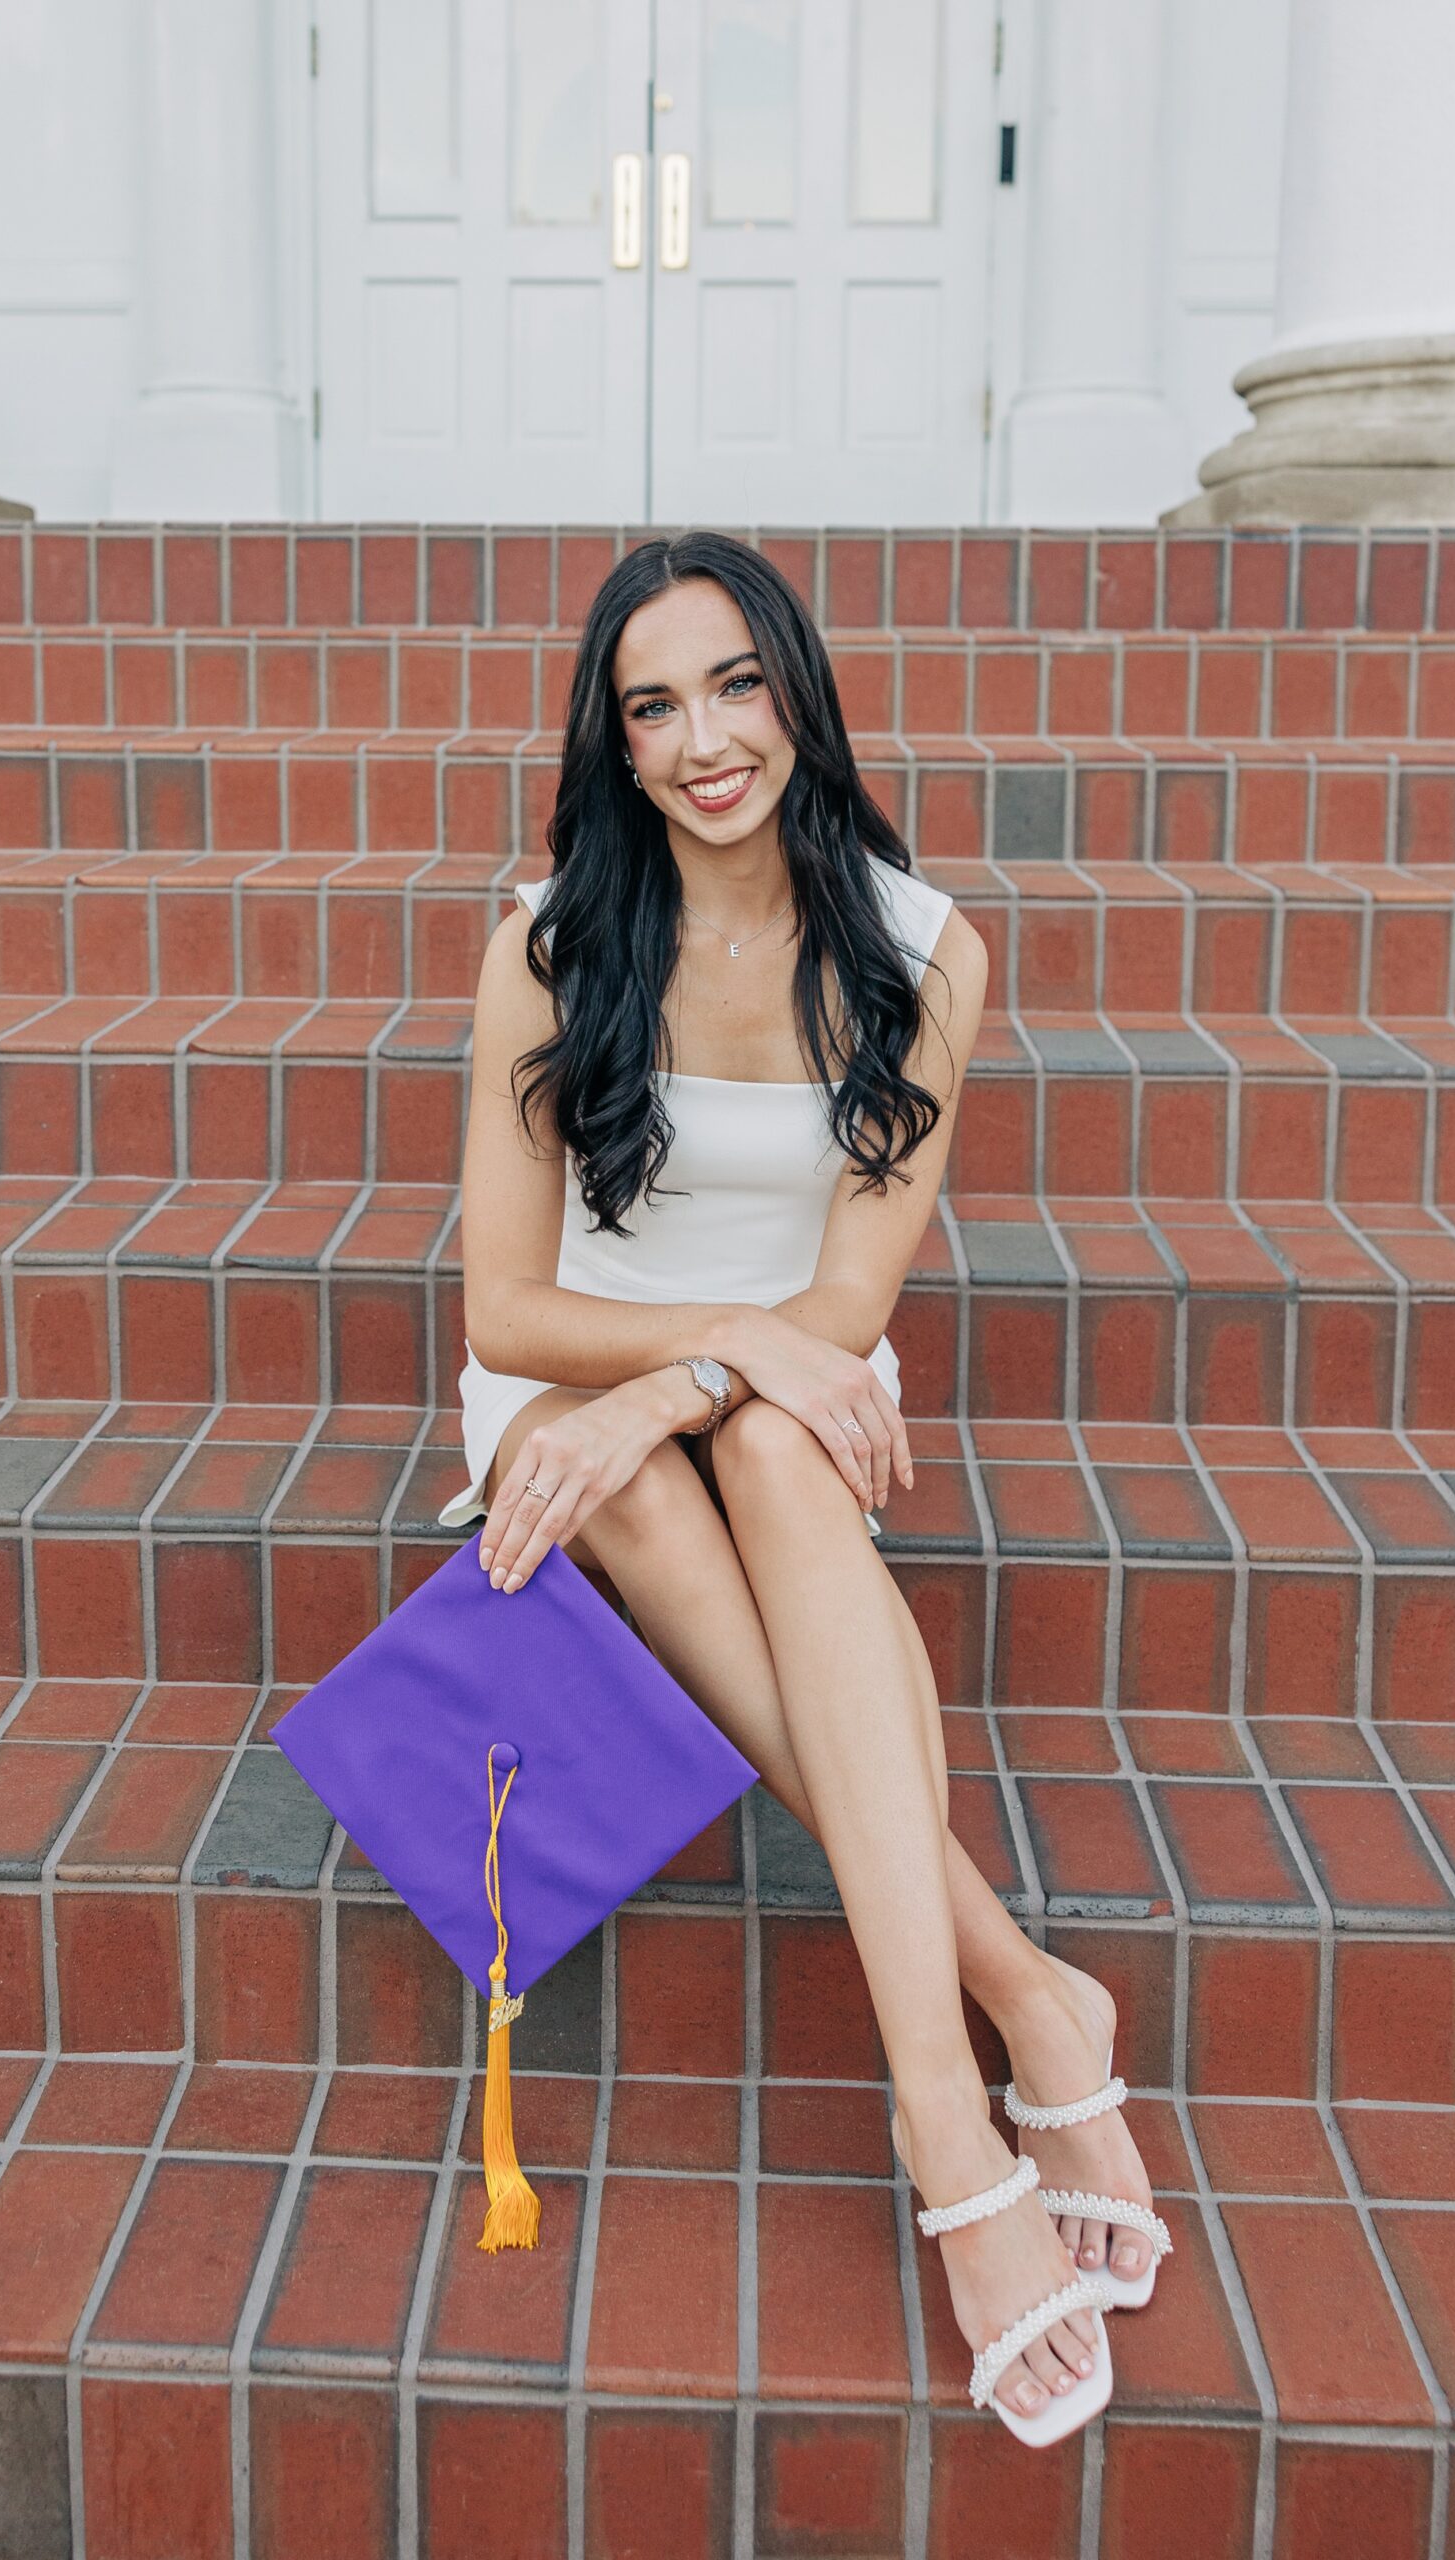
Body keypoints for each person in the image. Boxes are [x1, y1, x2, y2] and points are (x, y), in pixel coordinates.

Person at [437, 531, 1164, 2440]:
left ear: (798, 691)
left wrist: (717, 1361)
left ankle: (966, 2085)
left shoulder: (923, 954)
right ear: (613, 743)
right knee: (637, 1482)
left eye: (734, 684)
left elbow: (839, 1307)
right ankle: (1008, 2022)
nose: (701, 741)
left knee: (758, 1438)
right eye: (651, 705)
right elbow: (503, 1300)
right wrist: (668, 1370)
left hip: (771, 1383)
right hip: (561, 1387)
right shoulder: (548, 942)